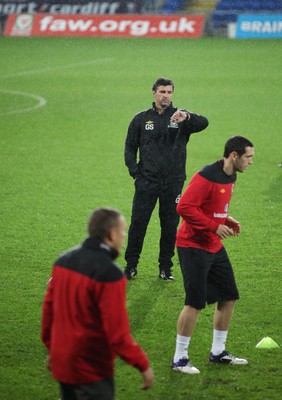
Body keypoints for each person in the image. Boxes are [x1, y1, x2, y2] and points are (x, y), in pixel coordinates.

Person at [41, 207, 154, 400]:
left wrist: (53, 347)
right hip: (91, 366)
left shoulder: (63, 260)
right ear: (110, 234)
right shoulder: (110, 274)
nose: (124, 235)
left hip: (64, 361)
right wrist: (142, 364)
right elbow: (117, 334)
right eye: (122, 230)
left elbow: (49, 311)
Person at [171, 136, 254, 374]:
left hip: (213, 245)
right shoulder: (206, 175)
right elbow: (184, 207)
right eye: (248, 157)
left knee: (229, 296)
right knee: (194, 303)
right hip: (193, 246)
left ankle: (218, 352)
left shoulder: (231, 176)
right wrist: (214, 226)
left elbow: (210, 206)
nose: (251, 162)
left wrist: (225, 219)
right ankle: (180, 358)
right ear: (234, 156)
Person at [124, 77, 209, 281]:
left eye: (169, 92)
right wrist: (135, 172)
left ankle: (165, 268)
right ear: (153, 93)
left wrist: (187, 116)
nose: (166, 96)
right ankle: (131, 266)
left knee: (170, 225)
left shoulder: (180, 118)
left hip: (173, 183)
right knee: (138, 224)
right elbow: (129, 148)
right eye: (162, 91)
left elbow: (204, 122)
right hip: (147, 182)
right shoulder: (141, 119)